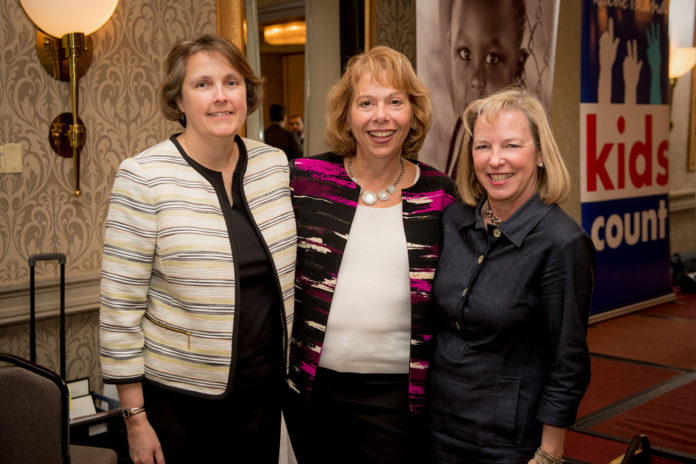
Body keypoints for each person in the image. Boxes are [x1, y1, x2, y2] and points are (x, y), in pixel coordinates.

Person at [99, 33, 296, 464]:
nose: (221, 97)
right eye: (203, 84)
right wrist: (134, 418)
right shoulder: (144, 177)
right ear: (179, 100)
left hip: (263, 396)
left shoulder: (273, 165)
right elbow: (119, 310)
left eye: (232, 82)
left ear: (249, 92)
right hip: (179, 404)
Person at [284, 46, 457, 464]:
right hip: (311, 390)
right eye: (366, 103)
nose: (382, 116)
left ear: (413, 113)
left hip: (396, 398)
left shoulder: (439, 194)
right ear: (347, 114)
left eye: (395, 102)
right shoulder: (306, 180)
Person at [430, 87, 596, 463]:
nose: (495, 160)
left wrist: (549, 453)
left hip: (508, 442)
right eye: (483, 146)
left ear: (539, 155)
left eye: (512, 146)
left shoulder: (562, 243)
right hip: (437, 427)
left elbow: (567, 360)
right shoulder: (453, 221)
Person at [443, 0, 529, 176]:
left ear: (518, 66)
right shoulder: (463, 124)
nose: (476, 79)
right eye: (465, 53)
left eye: (492, 59)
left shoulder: (513, 157)